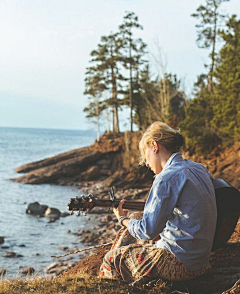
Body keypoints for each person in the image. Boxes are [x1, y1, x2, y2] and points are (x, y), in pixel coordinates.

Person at [99, 121, 217, 284]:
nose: (146, 163)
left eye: (145, 154)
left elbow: (148, 230)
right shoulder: (199, 168)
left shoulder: (166, 178)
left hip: (179, 263)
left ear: (154, 146)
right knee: (137, 216)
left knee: (110, 259)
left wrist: (123, 220)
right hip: (200, 260)